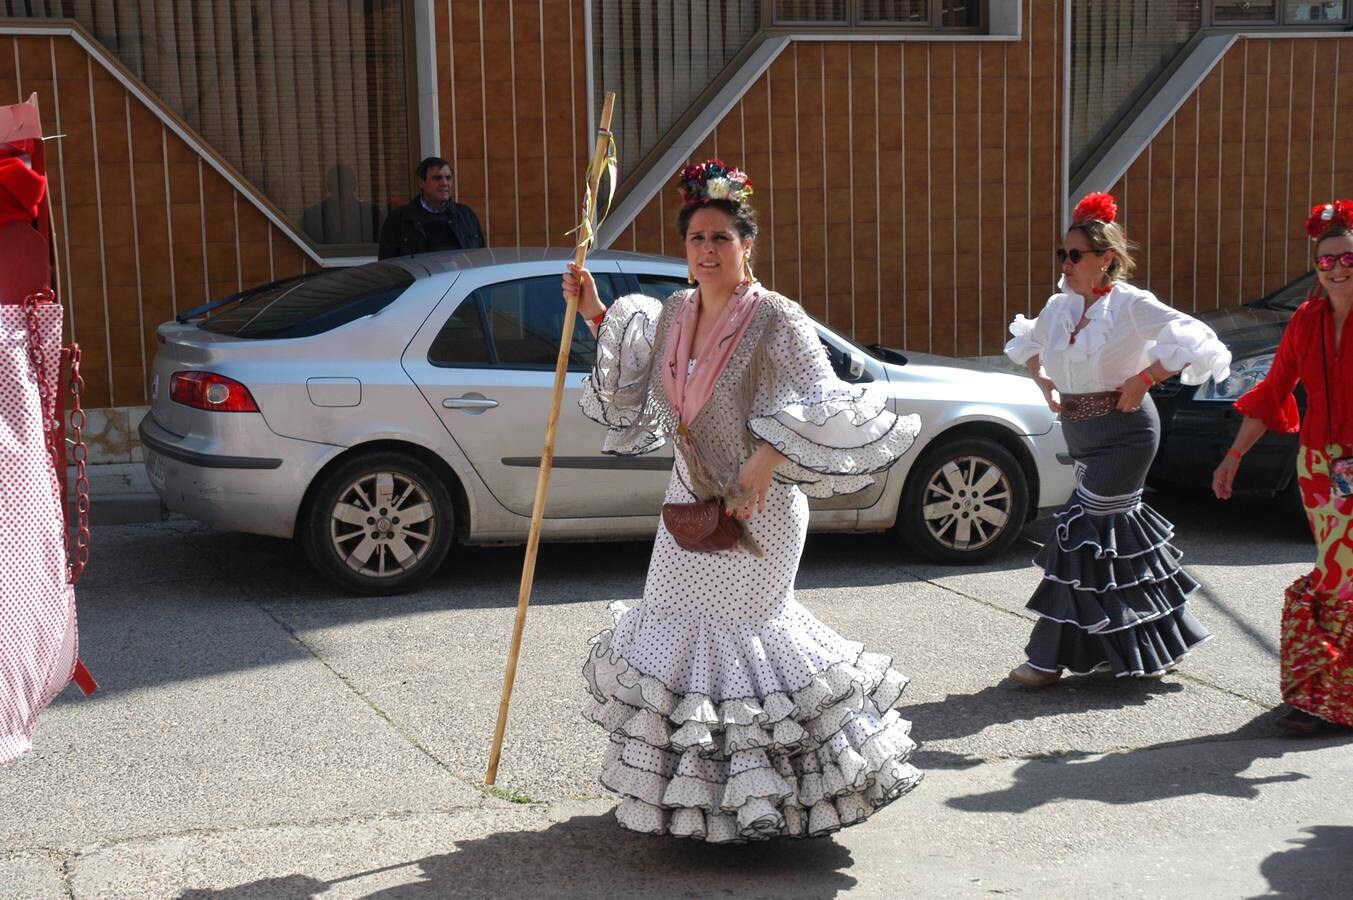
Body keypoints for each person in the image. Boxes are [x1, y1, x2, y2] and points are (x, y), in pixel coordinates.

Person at [563, 159, 924, 842]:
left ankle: (773, 801)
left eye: (720, 238)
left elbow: (825, 402)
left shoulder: (775, 318)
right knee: (673, 636)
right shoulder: (674, 311)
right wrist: (591, 312)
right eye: (696, 238)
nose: (706, 250)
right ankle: (697, 804)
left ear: (746, 245)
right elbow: (643, 380)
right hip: (688, 501)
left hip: (760, 507)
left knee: (746, 648)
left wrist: (767, 454)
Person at [1003, 192, 1231, 687]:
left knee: (1079, 532)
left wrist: (1146, 377)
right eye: (1062, 253)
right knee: (1114, 545)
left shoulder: (1130, 305)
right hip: (1082, 436)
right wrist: (1043, 378)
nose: (1066, 262)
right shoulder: (1060, 306)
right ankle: (1152, 644)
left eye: (1076, 255)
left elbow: (1198, 340)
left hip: (1126, 434)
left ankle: (1046, 658)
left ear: (1105, 260)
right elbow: (1026, 345)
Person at [1212, 200, 1353, 735]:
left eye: (1347, 259)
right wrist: (1234, 456)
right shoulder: (1306, 320)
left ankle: (1327, 696)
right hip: (1318, 466)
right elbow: (1275, 391)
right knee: (1341, 575)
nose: (1337, 268)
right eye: (1326, 261)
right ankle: (1327, 693)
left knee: (1343, 578)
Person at [376, 156, 484, 258]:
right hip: (421, 278)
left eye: (448, 178)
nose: (444, 183)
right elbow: (388, 267)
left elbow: (480, 257)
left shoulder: (466, 215)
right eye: (437, 178)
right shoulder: (399, 219)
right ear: (421, 182)